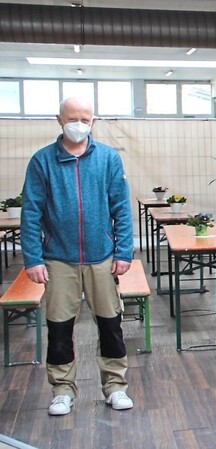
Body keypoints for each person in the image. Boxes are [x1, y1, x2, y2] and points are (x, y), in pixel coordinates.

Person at [21, 97, 135, 416]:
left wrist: (124, 251)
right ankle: (62, 390)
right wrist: (33, 258)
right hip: (58, 260)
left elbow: (121, 210)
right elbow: (31, 213)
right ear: (59, 119)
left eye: (85, 119)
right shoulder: (42, 161)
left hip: (102, 257)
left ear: (93, 121)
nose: (79, 124)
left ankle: (115, 386)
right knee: (59, 328)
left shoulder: (108, 159)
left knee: (111, 325)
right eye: (73, 118)